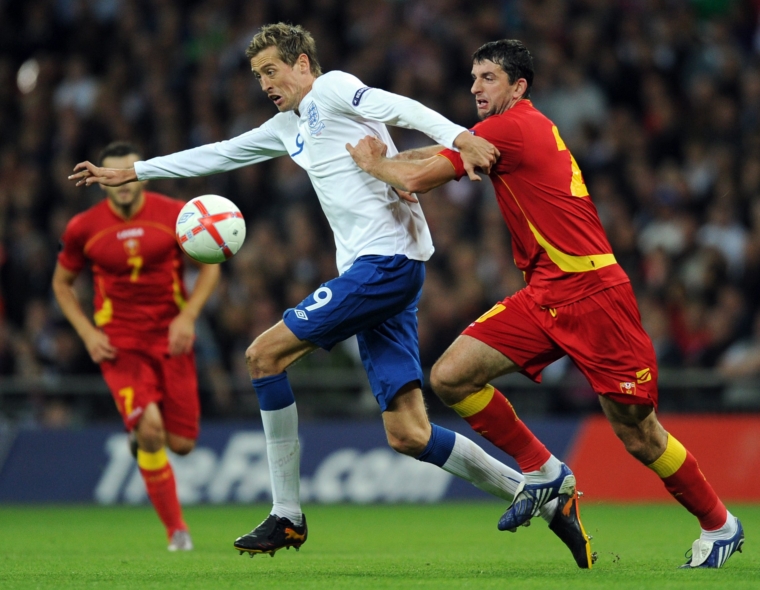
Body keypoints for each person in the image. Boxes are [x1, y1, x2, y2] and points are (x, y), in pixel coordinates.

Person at [68, 24, 592, 566]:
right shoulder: (285, 126)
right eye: (257, 76)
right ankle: (550, 500)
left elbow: (398, 105)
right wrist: (131, 171)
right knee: (409, 433)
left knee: (262, 356)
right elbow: (221, 154)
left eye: (272, 70)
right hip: (381, 270)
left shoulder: (333, 87)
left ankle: (287, 514)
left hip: (384, 263)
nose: (266, 83)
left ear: (301, 65)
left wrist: (461, 136)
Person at [347, 39, 744, 569]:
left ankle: (720, 524)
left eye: (488, 77)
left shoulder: (513, 127)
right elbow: (435, 158)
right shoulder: (500, 131)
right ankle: (545, 470)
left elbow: (418, 177)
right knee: (451, 376)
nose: (474, 87)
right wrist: (387, 161)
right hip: (544, 295)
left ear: (518, 86)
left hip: (594, 295)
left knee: (637, 431)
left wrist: (375, 166)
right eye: (473, 77)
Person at [53, 141, 221, 551]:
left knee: (181, 445)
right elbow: (62, 283)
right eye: (114, 175)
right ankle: (176, 532)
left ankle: (140, 437)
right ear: (102, 180)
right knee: (151, 428)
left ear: (141, 172)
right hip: (120, 344)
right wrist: (88, 333)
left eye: (130, 172)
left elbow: (210, 267)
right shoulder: (83, 227)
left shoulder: (174, 215)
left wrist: (188, 315)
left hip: (171, 338)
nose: (123, 184)